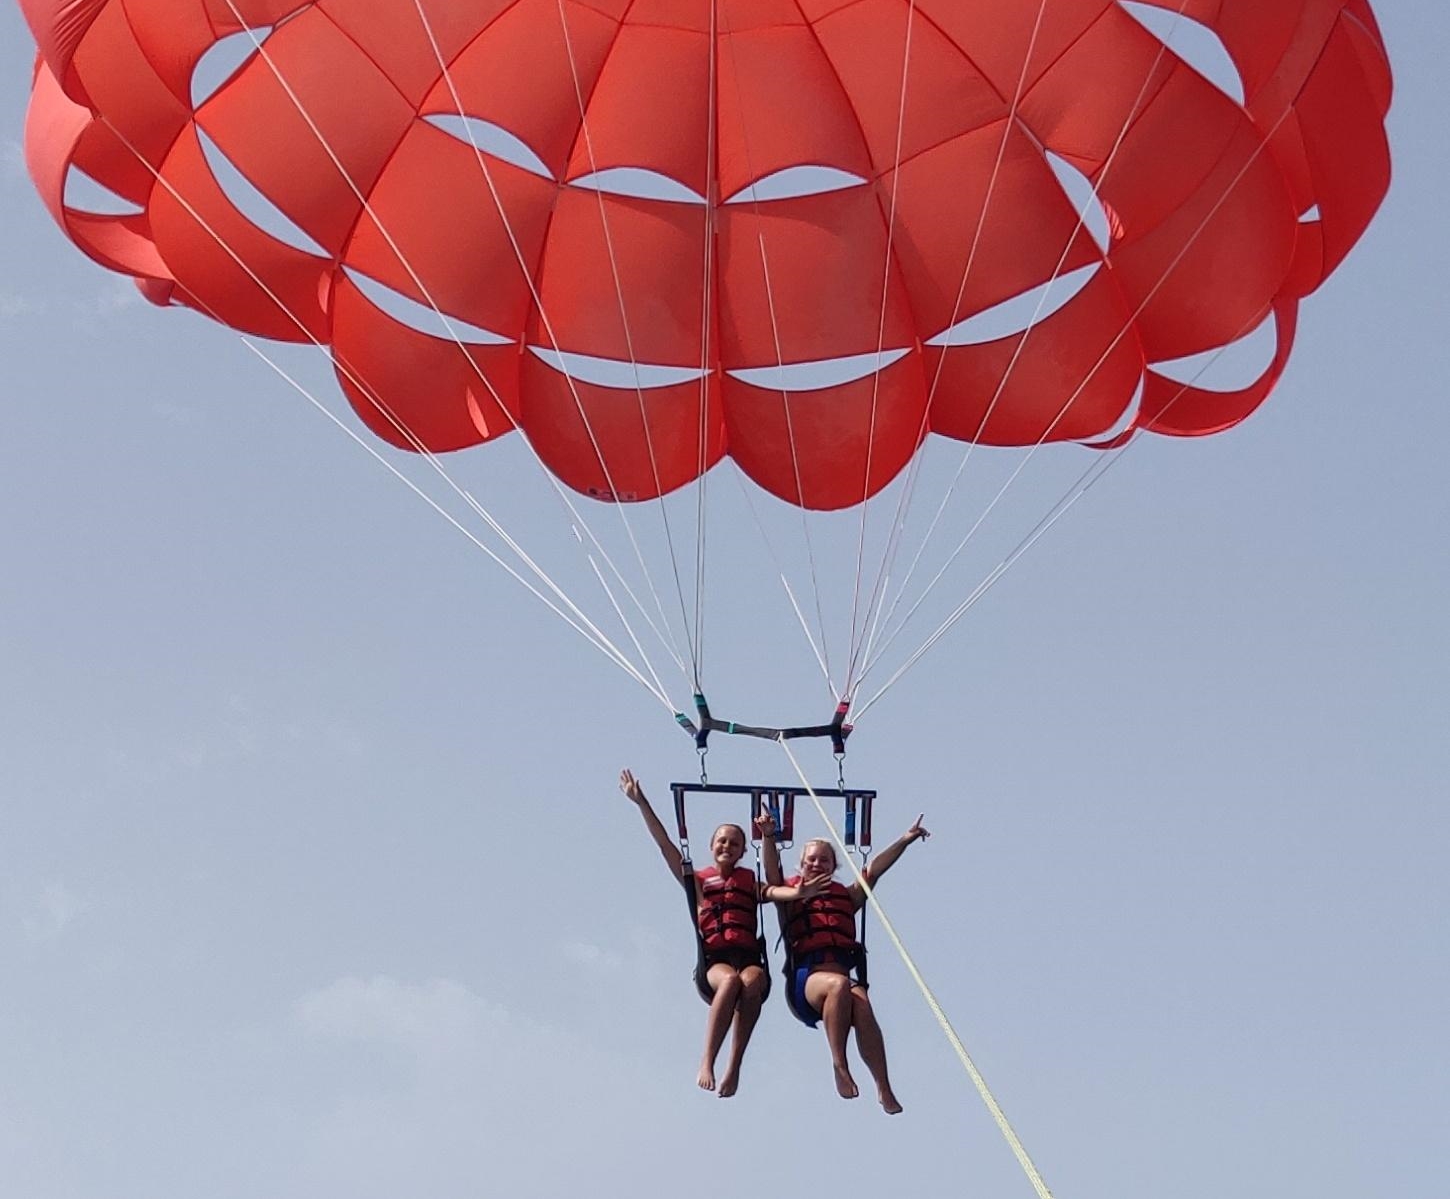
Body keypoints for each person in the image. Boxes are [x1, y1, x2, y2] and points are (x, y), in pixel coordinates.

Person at [618, 768, 825, 1097]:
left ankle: (734, 1067)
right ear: (712, 846)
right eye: (722, 841)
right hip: (714, 964)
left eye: (735, 842)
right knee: (730, 981)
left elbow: (775, 892)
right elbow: (665, 845)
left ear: (744, 851)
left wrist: (799, 892)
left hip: (749, 958)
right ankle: (707, 1061)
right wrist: (641, 801)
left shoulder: (749, 882)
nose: (727, 845)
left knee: (751, 982)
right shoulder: (698, 884)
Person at [766, 816, 930, 1114]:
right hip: (807, 983)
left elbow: (875, 870)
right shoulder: (791, 895)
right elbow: (770, 872)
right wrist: (767, 837)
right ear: (801, 865)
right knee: (840, 985)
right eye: (811, 860)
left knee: (862, 1002)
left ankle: (883, 1087)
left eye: (824, 860)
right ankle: (839, 1064)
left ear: (834, 866)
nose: (817, 864)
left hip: (842, 978)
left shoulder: (847, 896)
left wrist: (905, 840)